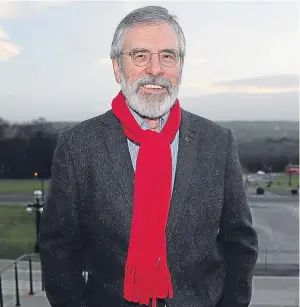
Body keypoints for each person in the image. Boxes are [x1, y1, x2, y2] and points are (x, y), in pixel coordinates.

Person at [39, 5, 259, 307]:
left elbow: (240, 242)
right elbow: (58, 248)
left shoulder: (217, 143)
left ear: (180, 67)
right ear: (117, 68)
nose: (155, 69)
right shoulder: (78, 145)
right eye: (140, 55)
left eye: (167, 56)